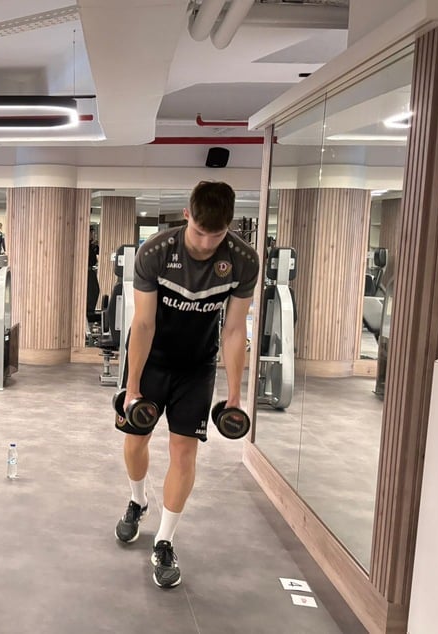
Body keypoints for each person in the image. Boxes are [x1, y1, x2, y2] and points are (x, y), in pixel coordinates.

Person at [114, 180, 259, 588]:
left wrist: (234, 394)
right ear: (186, 215)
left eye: (217, 235)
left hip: (197, 366)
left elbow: (234, 330)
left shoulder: (243, 260)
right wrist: (133, 386)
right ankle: (137, 499)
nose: (207, 243)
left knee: (183, 451)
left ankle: (164, 539)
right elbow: (142, 323)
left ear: (229, 228)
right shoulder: (156, 253)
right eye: (199, 232)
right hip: (153, 358)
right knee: (135, 440)